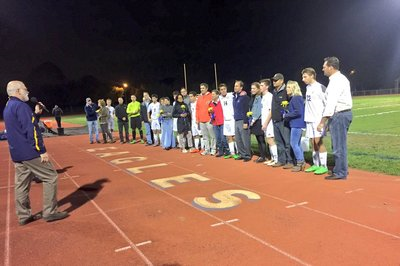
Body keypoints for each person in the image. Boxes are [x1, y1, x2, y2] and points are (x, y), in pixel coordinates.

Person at [3, 81, 69, 225]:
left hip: (17, 153)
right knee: (51, 176)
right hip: (30, 152)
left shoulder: (8, 106)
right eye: (25, 89)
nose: (28, 91)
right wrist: (41, 150)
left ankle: (23, 215)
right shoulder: (21, 106)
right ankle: (50, 212)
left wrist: (35, 115)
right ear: (18, 91)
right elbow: (31, 130)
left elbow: (22, 125)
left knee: (21, 184)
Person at [318, 57, 353, 180]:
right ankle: (340, 170)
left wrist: (322, 122)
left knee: (339, 146)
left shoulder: (336, 81)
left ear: (331, 67)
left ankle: (340, 172)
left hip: (340, 115)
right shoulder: (339, 79)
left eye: (324, 66)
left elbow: (331, 104)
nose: (322, 68)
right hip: (341, 115)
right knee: (339, 145)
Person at [301, 67, 328, 174]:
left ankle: (324, 166)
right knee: (313, 142)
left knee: (318, 141)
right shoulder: (308, 87)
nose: (303, 79)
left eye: (305, 76)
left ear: (312, 75)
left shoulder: (320, 87)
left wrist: (324, 121)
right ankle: (316, 164)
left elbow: (327, 103)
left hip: (318, 119)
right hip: (309, 119)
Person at [271, 73, 293, 168]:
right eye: (273, 80)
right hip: (275, 120)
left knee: (287, 142)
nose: (274, 82)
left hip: (284, 121)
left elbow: (291, 105)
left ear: (281, 80)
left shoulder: (286, 91)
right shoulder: (274, 91)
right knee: (279, 142)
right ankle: (281, 160)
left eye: (276, 80)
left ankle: (290, 161)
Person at [284, 81, 306, 172]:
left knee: (293, 144)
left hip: (297, 124)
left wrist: (286, 115)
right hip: (297, 123)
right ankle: (301, 162)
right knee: (297, 144)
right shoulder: (295, 98)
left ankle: (300, 162)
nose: (286, 89)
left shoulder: (296, 98)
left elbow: (298, 111)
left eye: (289, 87)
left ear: (293, 88)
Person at [260, 79, 278, 165]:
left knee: (271, 140)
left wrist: (266, 123)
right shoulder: (263, 97)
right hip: (265, 122)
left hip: (269, 122)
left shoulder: (269, 96)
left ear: (267, 86)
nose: (260, 87)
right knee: (268, 140)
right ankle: (272, 158)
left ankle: (276, 159)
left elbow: (271, 111)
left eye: (262, 85)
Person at [233, 80, 251, 162]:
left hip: (242, 120)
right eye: (235, 86)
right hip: (236, 120)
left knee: (245, 138)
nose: (235, 87)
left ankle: (247, 155)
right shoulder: (235, 97)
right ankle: (241, 153)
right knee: (238, 139)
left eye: (237, 86)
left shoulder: (245, 98)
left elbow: (246, 110)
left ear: (241, 87)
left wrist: (245, 122)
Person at [249, 82, 267, 163]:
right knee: (258, 139)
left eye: (254, 88)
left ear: (258, 89)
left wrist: (253, 120)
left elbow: (259, 110)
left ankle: (263, 156)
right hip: (254, 120)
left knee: (261, 139)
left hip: (258, 120)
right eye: (251, 88)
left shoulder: (260, 97)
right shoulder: (254, 97)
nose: (252, 90)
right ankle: (262, 155)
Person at [209, 90, 230, 157]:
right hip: (215, 122)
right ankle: (220, 151)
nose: (212, 96)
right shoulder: (210, 103)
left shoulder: (221, 101)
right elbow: (209, 112)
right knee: (218, 138)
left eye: (213, 94)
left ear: (217, 95)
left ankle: (227, 151)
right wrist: (211, 116)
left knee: (223, 138)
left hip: (222, 122)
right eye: (211, 94)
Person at [196, 83, 216, 155]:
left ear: (207, 88)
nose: (202, 90)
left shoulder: (211, 96)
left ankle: (213, 149)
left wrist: (212, 116)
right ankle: (207, 149)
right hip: (201, 120)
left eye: (203, 88)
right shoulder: (199, 97)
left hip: (209, 119)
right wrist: (197, 119)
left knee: (212, 136)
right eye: (201, 88)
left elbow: (214, 106)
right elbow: (197, 109)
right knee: (204, 136)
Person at [218, 83, 237, 159]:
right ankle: (232, 153)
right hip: (225, 121)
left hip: (232, 119)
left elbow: (241, 93)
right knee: (229, 137)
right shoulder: (219, 98)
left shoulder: (231, 95)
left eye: (224, 89)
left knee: (235, 137)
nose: (223, 91)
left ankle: (238, 152)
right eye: (221, 90)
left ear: (226, 89)